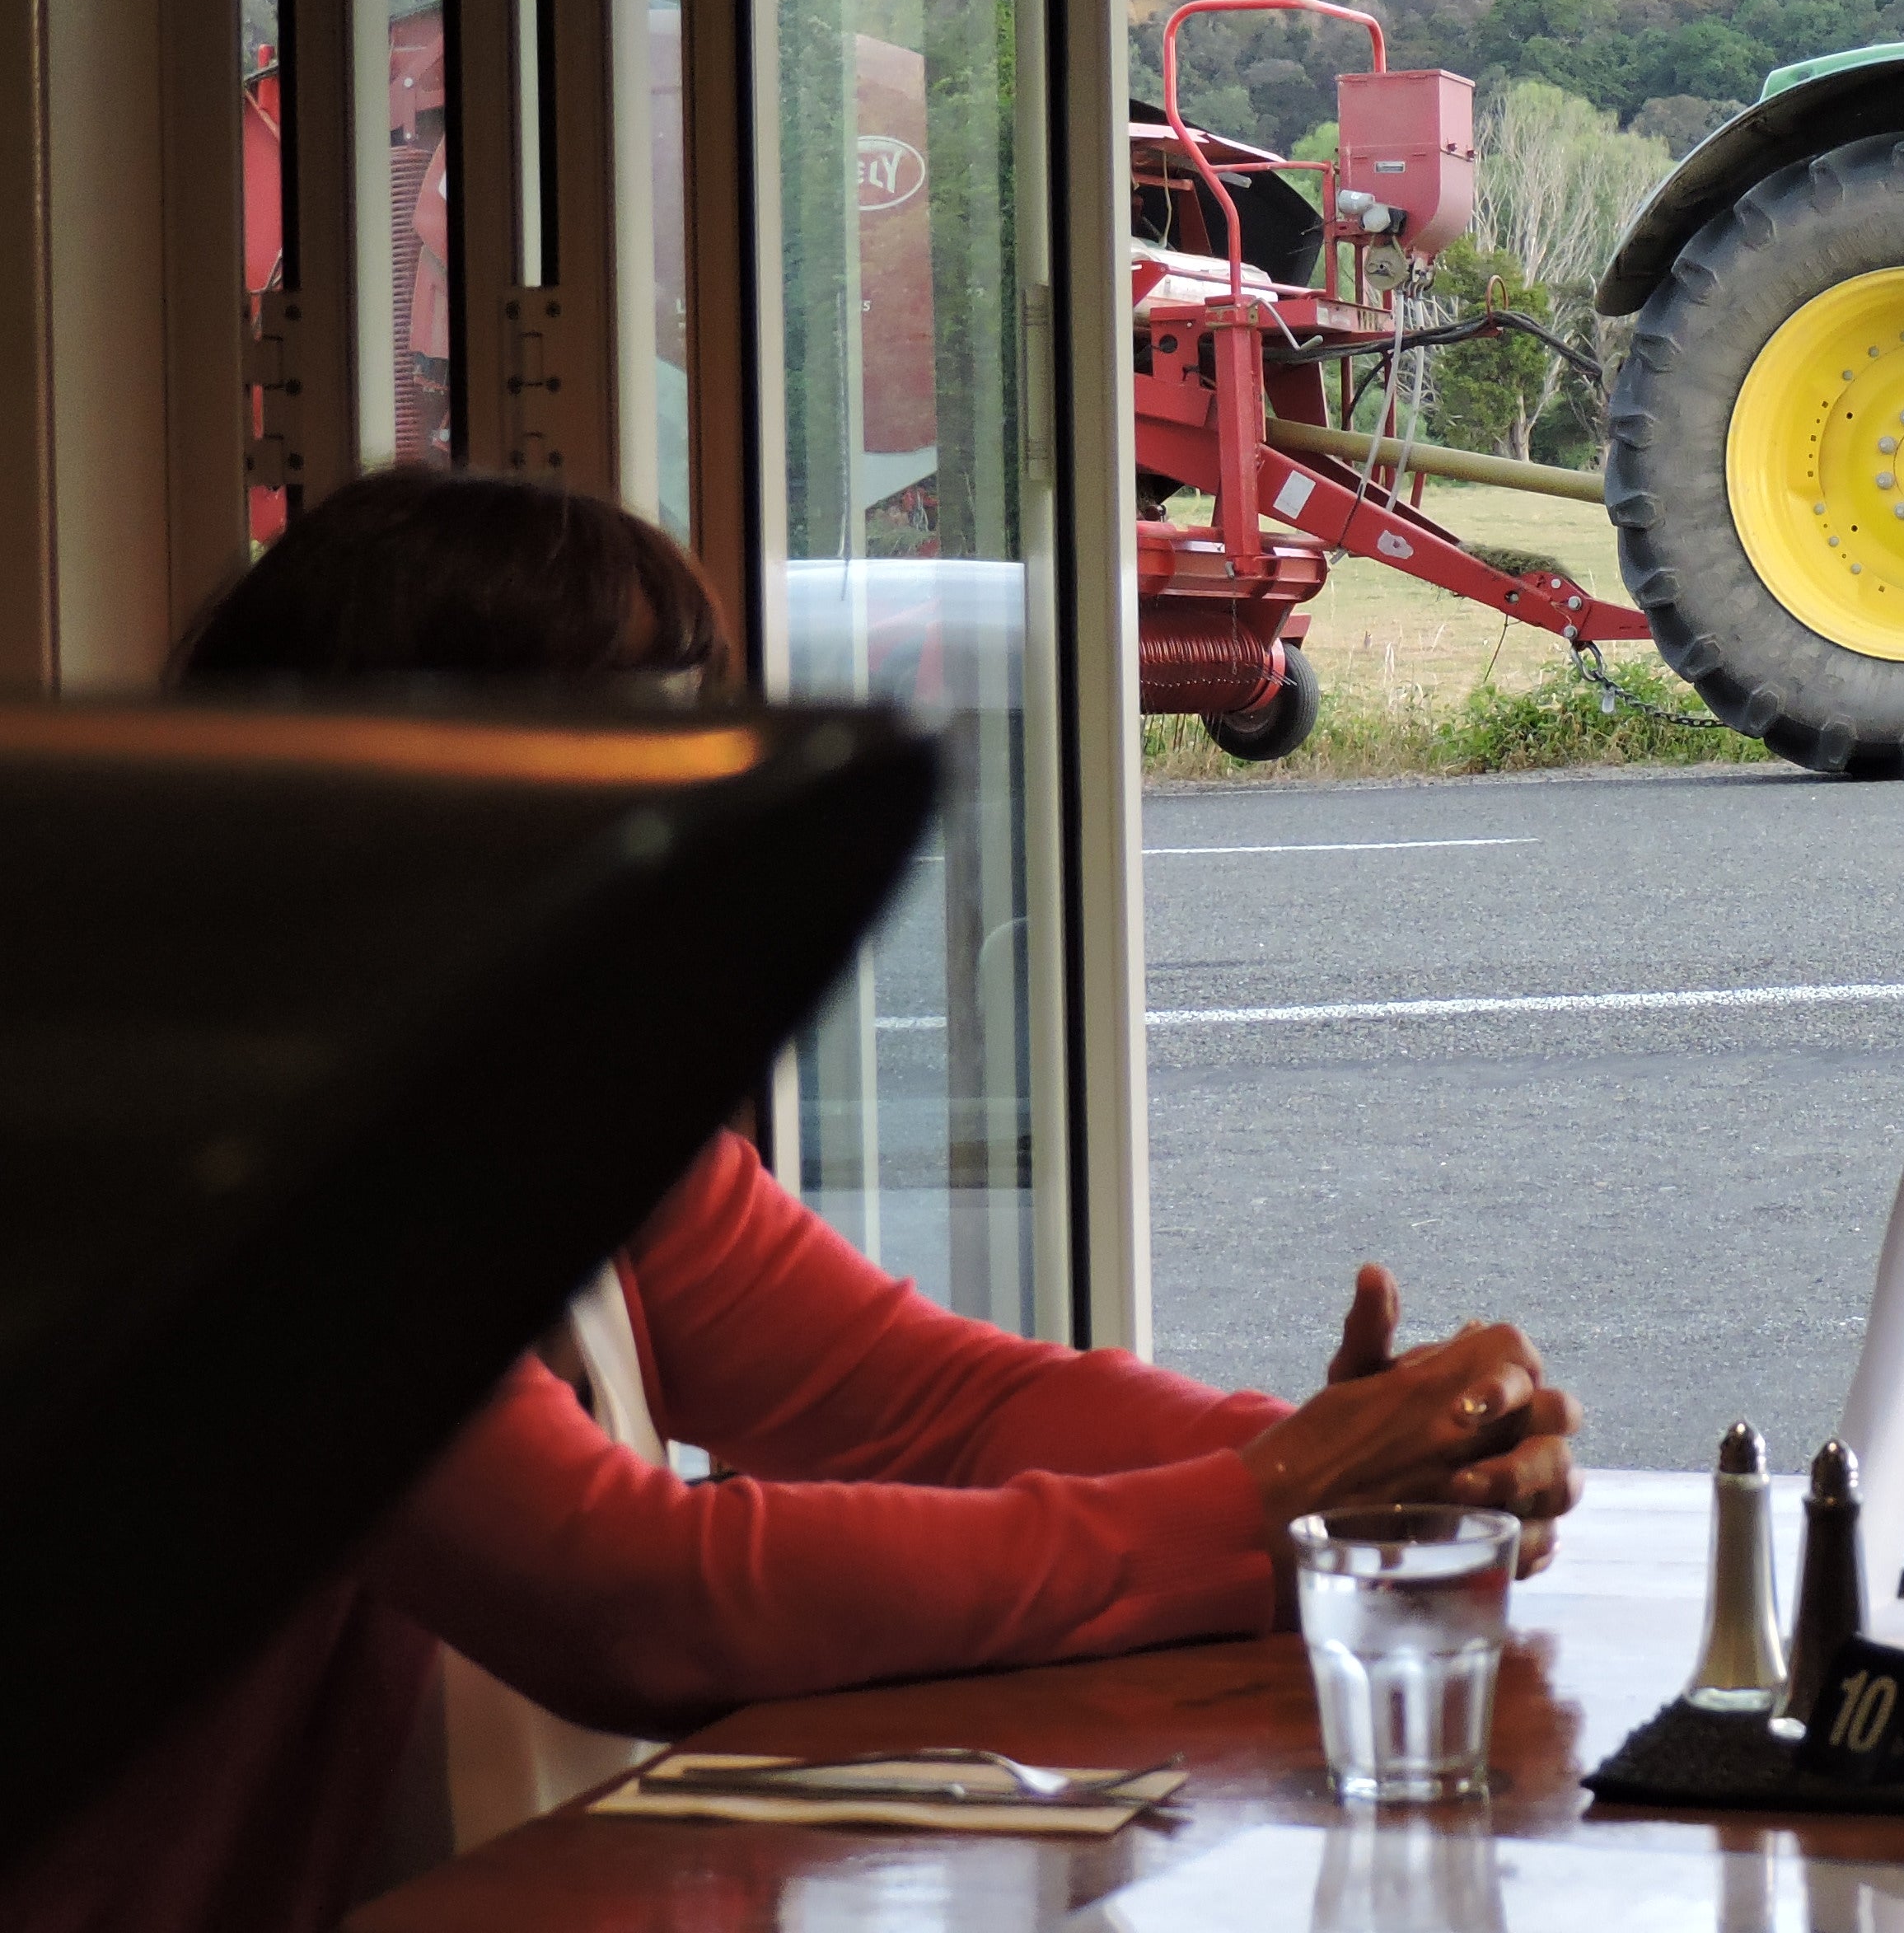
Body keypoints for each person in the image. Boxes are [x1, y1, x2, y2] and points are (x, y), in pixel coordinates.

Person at [9, 467, 1582, 1933]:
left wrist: (1368, 1472)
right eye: (620, 761)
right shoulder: (251, 1179)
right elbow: (632, 1598)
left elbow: (935, 1406)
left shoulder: (553, 1100)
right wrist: (1272, 1499)